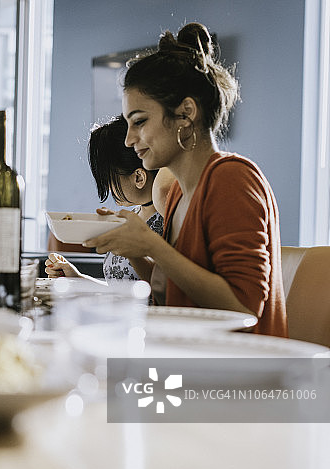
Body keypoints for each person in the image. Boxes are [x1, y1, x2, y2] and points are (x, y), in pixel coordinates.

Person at [84, 22, 287, 336]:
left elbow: (243, 308)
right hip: (192, 360)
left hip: (235, 376)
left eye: (139, 121)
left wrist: (152, 244)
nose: (128, 139)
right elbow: (170, 295)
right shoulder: (178, 194)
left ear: (185, 114)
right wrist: (135, 248)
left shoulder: (232, 179)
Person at [45, 116, 172, 283]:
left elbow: (162, 289)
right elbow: (117, 289)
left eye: (110, 179)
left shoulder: (167, 221)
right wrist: (77, 277)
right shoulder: (131, 216)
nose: (109, 188)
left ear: (139, 178)